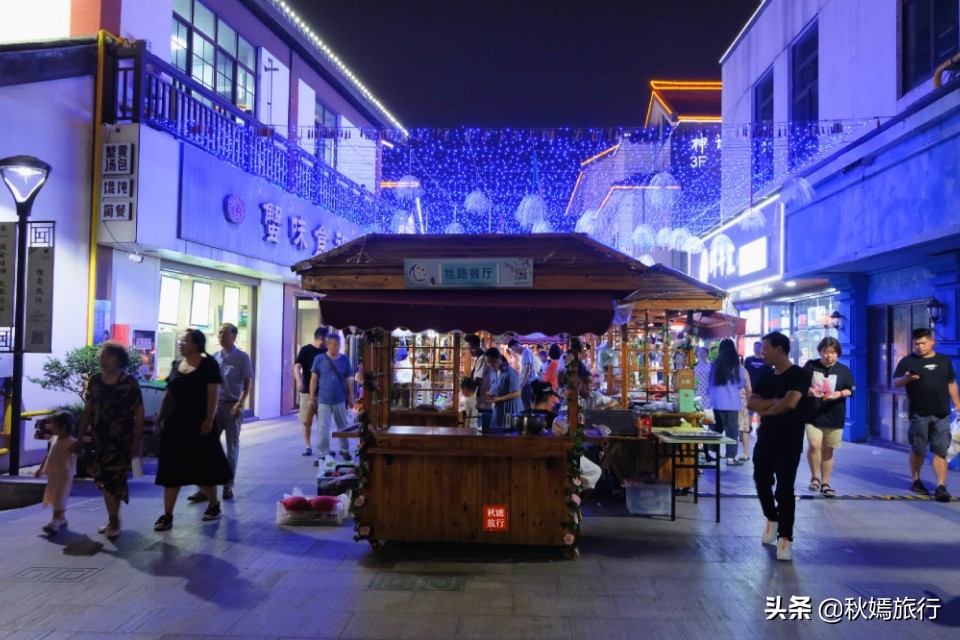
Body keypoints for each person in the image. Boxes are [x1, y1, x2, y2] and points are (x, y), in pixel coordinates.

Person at [154, 329, 232, 531]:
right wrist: (160, 417)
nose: (181, 342)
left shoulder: (208, 364)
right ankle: (167, 514)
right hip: (175, 424)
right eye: (181, 339)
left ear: (196, 343)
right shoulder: (175, 365)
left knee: (204, 466)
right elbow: (168, 395)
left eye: (185, 339)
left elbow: (212, 394)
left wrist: (208, 420)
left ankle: (213, 504)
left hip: (199, 424)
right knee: (171, 469)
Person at [747, 331, 812, 562]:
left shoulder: (799, 375)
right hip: (765, 438)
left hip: (789, 440)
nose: (762, 351)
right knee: (761, 480)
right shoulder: (766, 376)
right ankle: (771, 518)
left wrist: (766, 407)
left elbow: (790, 403)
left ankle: (786, 537)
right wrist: (772, 403)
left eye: (765, 347)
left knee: (784, 488)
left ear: (779, 349)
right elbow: (750, 402)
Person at [76, 341, 144, 539]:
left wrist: (138, 440)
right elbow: (88, 410)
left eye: (109, 357)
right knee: (106, 479)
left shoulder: (129, 382)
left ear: (119, 360)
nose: (104, 360)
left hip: (122, 439)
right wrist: (80, 437)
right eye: (102, 357)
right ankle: (112, 519)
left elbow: (139, 411)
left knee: (114, 478)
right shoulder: (95, 381)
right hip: (100, 439)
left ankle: (113, 520)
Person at [893, 328, 959, 502]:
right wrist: (907, 379)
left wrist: (958, 404)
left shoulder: (944, 361)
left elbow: (951, 383)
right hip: (918, 415)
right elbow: (896, 383)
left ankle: (940, 486)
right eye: (917, 344)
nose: (920, 347)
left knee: (940, 451)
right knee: (918, 450)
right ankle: (916, 480)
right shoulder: (907, 361)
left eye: (923, 343)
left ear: (932, 342)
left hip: (942, 414)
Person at [195, 323, 252, 502]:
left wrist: (240, 404)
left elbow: (247, 383)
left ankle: (228, 485)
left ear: (234, 337)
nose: (220, 336)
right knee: (207, 445)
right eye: (219, 333)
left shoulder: (242, 357)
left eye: (224, 333)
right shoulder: (214, 357)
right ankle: (204, 488)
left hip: (233, 406)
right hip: (215, 406)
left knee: (231, 448)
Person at [803, 337, 854, 498]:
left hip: (834, 414)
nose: (829, 356)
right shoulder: (811, 365)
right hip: (813, 414)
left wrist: (838, 394)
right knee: (814, 444)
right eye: (826, 352)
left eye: (833, 353)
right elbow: (799, 385)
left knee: (828, 450)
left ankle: (825, 482)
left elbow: (851, 390)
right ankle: (815, 478)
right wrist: (809, 391)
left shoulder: (843, 370)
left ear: (838, 353)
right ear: (820, 351)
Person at [308, 333, 354, 464]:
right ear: (328, 345)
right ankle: (323, 454)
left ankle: (344, 450)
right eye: (334, 344)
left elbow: (348, 380)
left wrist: (351, 397)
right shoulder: (319, 359)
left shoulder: (344, 359)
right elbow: (314, 379)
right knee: (323, 428)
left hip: (340, 398)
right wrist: (311, 398)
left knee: (343, 426)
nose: (337, 346)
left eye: (338, 344)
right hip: (323, 399)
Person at [706, 339, 752, 465]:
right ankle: (731, 458)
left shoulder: (715, 365)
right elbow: (741, 383)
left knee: (715, 430)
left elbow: (710, 383)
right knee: (732, 431)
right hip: (731, 403)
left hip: (716, 403)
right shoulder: (736, 366)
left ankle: (712, 455)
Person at [36, 411, 77, 535]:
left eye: (53, 426)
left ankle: (55, 522)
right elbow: (49, 454)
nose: (51, 428)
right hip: (53, 472)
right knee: (55, 497)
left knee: (60, 497)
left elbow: (79, 452)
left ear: (63, 427)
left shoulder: (71, 442)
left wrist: (79, 451)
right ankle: (61, 518)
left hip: (64, 475)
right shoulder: (54, 439)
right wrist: (41, 468)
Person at [294, 327, 328, 456]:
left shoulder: (326, 351)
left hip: (324, 392)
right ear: (321, 338)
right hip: (308, 392)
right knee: (306, 421)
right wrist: (298, 381)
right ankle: (308, 447)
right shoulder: (306, 350)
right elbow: (297, 367)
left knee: (324, 422)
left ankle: (324, 448)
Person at [483, 347, 523, 429]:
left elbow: (517, 392)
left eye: (493, 362)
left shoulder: (509, 371)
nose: (491, 364)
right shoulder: (493, 373)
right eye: (488, 362)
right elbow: (496, 388)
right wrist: (491, 394)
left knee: (509, 434)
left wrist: (499, 399)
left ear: (499, 358)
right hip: (499, 408)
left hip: (511, 408)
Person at [465, 334, 494, 427]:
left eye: (469, 348)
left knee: (482, 430)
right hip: (483, 401)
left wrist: (466, 386)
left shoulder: (482, 359)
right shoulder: (480, 358)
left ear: (476, 346)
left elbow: (478, 380)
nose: (468, 351)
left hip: (484, 402)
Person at [508, 339, 538, 411]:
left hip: (528, 382)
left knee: (526, 403)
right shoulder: (523, 354)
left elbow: (528, 368)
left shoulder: (526, 352)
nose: (514, 351)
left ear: (517, 345)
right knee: (525, 402)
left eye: (513, 348)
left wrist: (523, 383)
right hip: (526, 382)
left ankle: (527, 419)